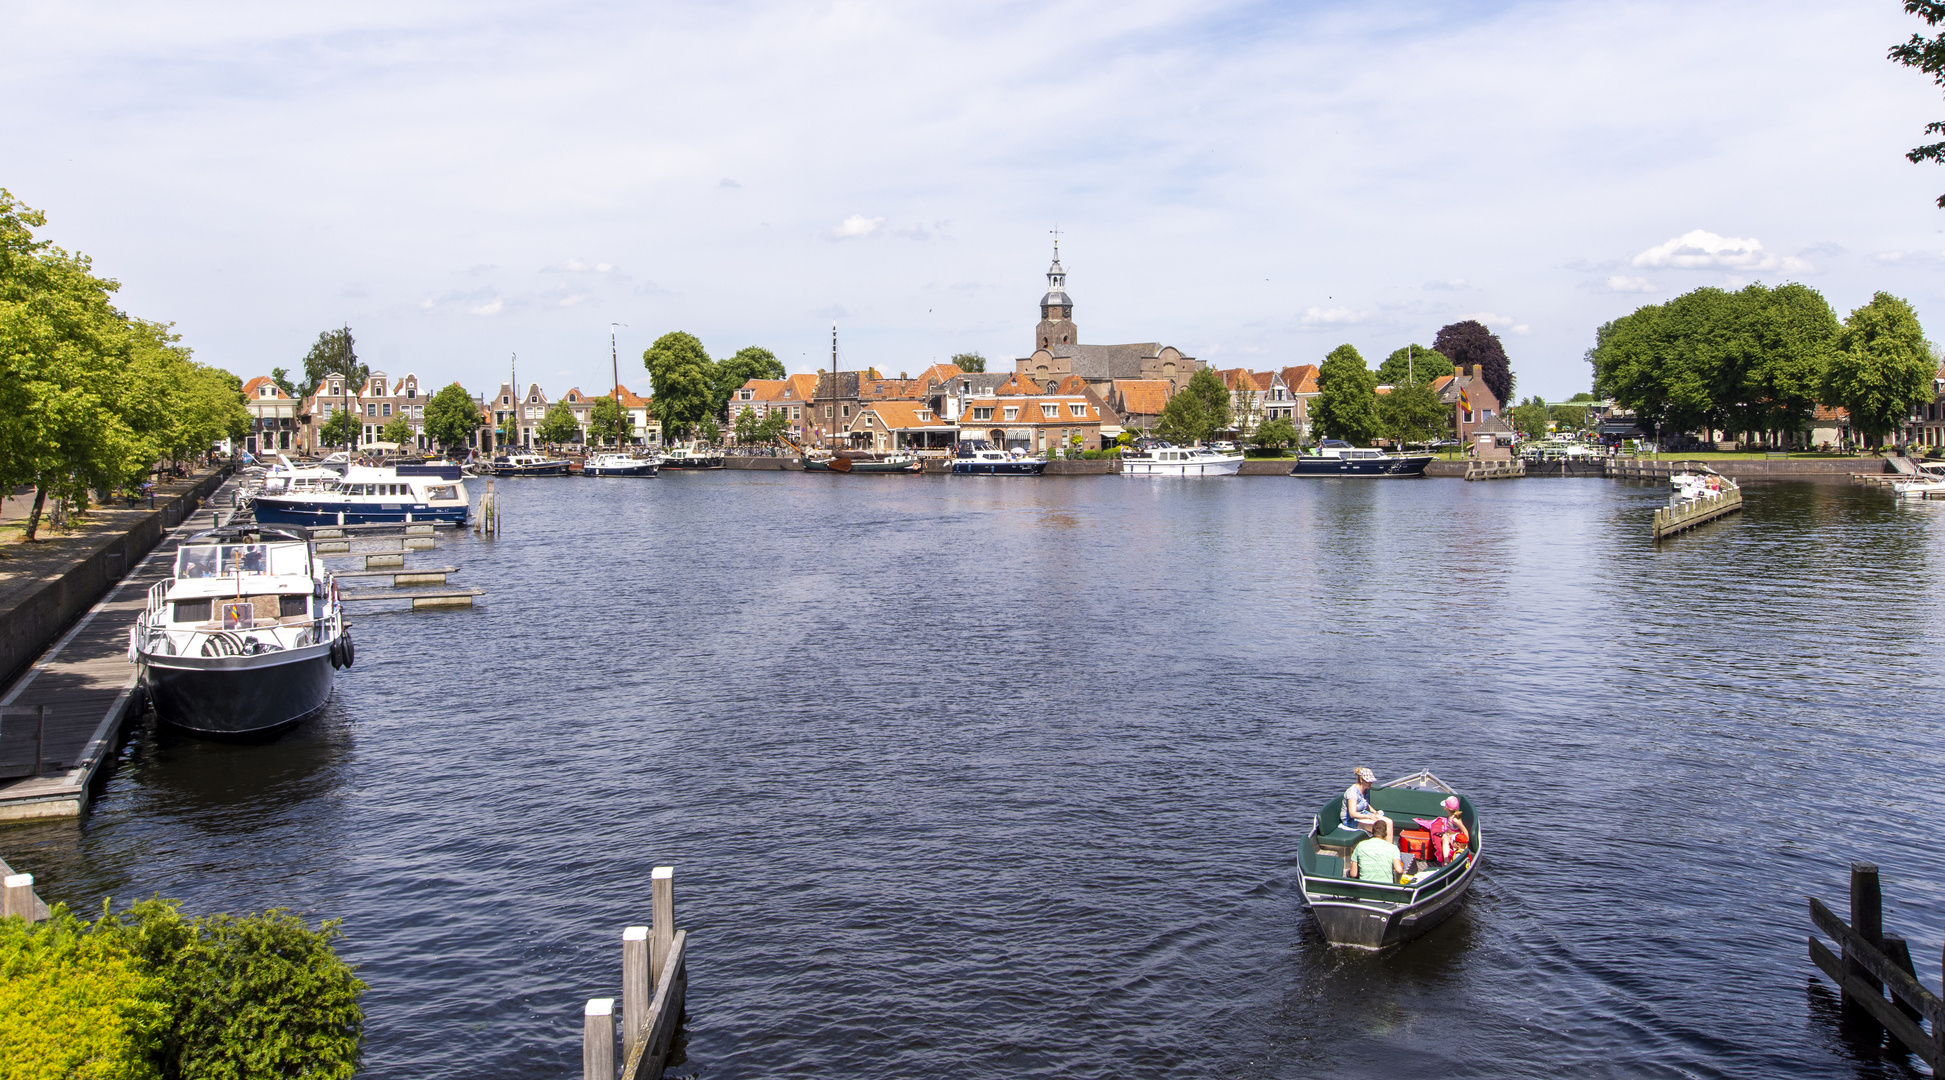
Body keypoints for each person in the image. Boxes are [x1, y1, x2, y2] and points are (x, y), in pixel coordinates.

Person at [1345, 817, 1405, 884]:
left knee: (1348, 873)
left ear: (1372, 831)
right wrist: (1397, 882)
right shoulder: (1393, 848)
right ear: (1386, 832)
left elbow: (1353, 874)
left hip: (1365, 889)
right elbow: (1399, 870)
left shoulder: (1360, 845)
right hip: (1386, 889)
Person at [1340, 767, 1389, 834]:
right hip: (1351, 820)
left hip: (1363, 814)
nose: (1370, 783)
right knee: (1379, 828)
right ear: (1361, 780)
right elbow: (1352, 814)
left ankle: (1388, 844)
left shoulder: (1365, 790)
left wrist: (1374, 812)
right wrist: (1369, 816)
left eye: (1371, 781)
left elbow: (1365, 804)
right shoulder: (1352, 793)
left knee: (1388, 822)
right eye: (1368, 781)